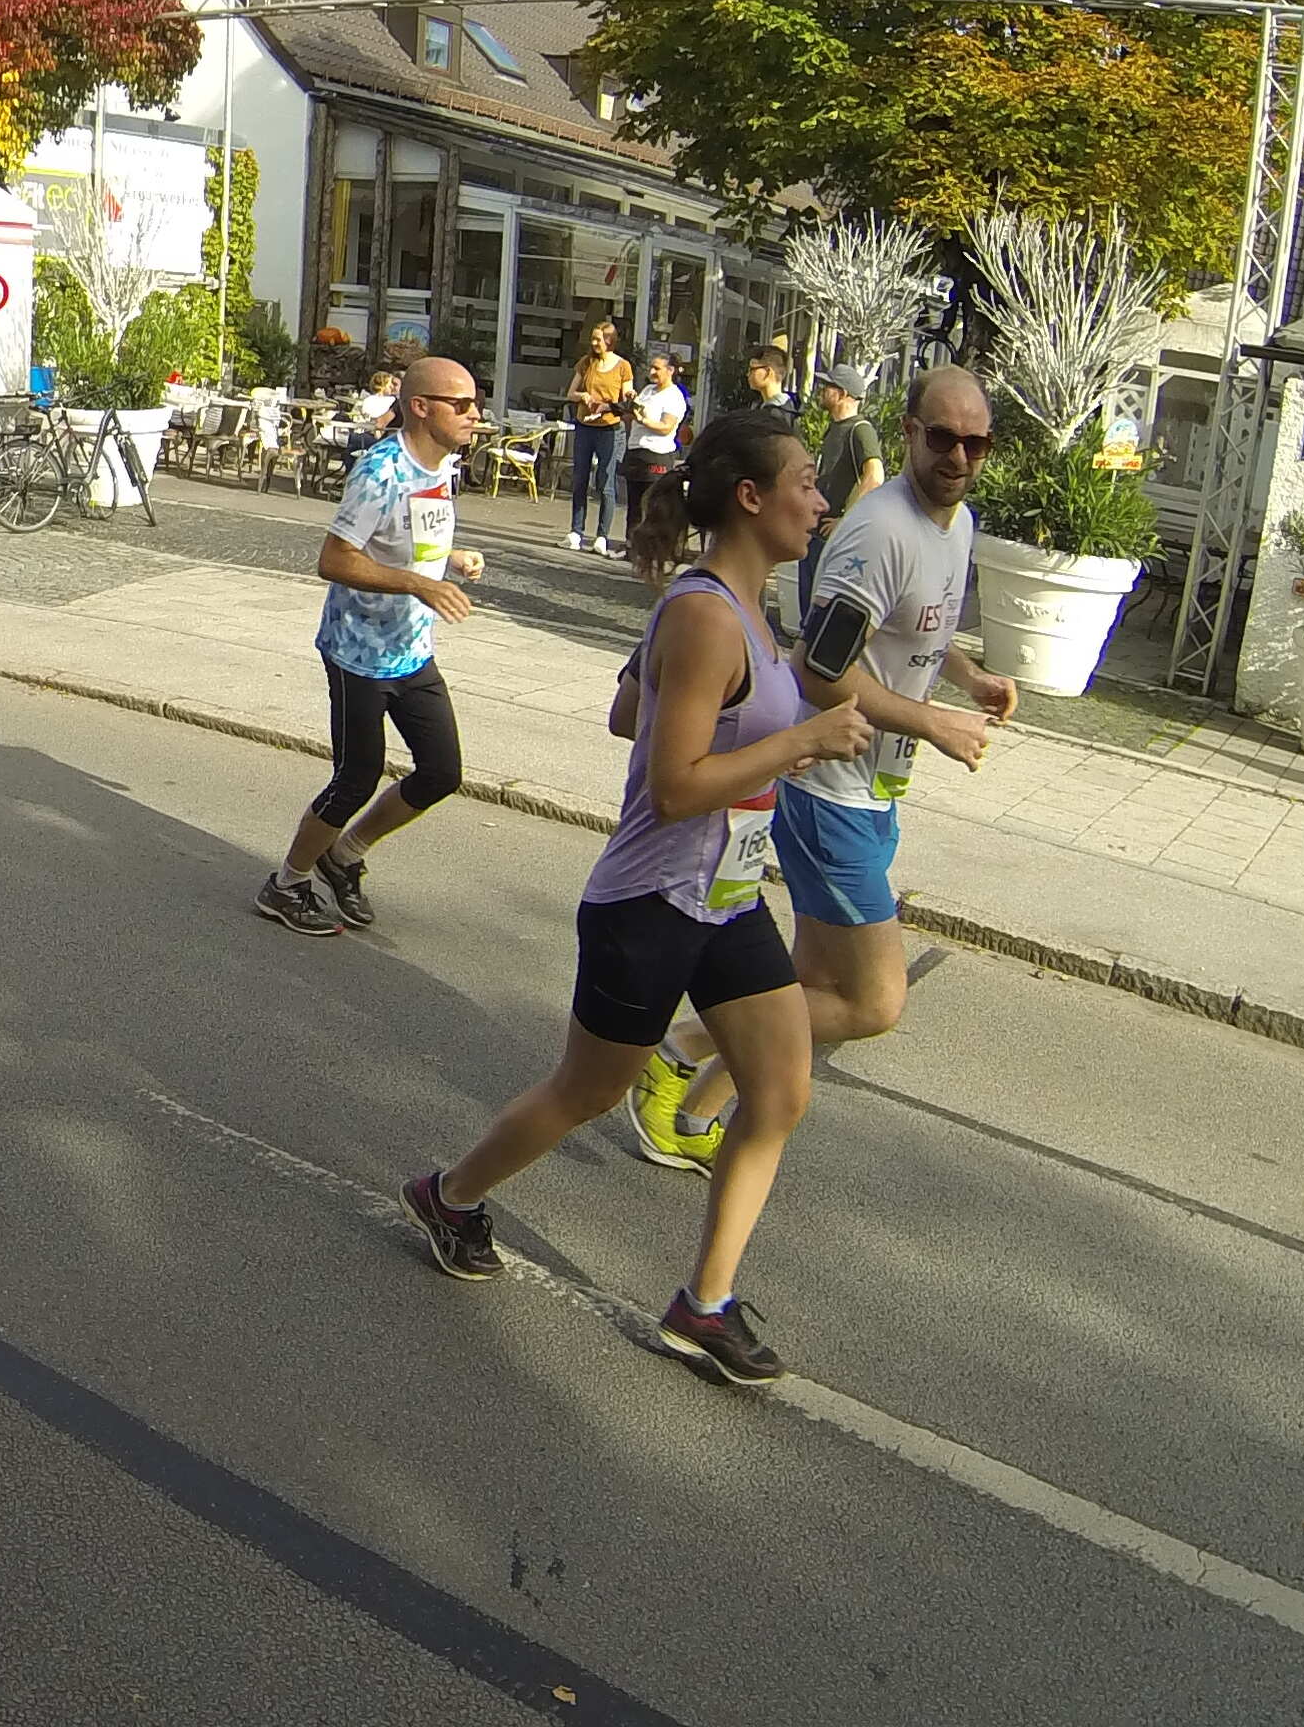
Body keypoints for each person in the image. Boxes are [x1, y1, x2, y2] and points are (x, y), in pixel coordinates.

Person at [403, 405, 871, 1387]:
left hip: (726, 899)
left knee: (780, 1091)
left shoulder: (749, 610)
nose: (821, 502)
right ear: (753, 498)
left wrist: (716, 715)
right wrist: (794, 740)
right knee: (589, 1090)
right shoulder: (706, 614)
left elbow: (632, 712)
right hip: (650, 902)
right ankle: (450, 1195)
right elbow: (673, 786)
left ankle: (705, 1305)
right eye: (806, 485)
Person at [626, 369, 1015, 1173]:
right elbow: (820, 669)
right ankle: (682, 1045)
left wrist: (968, 678)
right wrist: (934, 722)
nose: (958, 457)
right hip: (826, 788)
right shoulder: (879, 535)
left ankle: (689, 1113)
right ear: (908, 433)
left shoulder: (957, 523)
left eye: (975, 443)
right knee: (873, 1002)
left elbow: (916, 630)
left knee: (809, 980)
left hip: (873, 788)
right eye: (943, 438)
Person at [252, 355, 488, 936]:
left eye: (476, 403)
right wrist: (419, 584)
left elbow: (406, 537)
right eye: (462, 404)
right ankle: (286, 884)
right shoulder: (381, 471)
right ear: (421, 407)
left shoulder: (442, 463)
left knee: (441, 772)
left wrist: (450, 559)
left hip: (412, 650)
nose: (475, 415)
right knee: (357, 777)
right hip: (358, 653)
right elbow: (334, 560)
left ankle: (345, 853)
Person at [802, 360, 887, 602]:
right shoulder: (834, 428)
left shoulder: (860, 430)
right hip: (815, 533)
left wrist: (846, 521)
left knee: (822, 608)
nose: (822, 391)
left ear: (842, 394)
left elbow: (875, 476)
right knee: (808, 609)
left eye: (828, 387)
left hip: (834, 538)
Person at [563, 320, 636, 556]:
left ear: (610, 341)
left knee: (606, 482)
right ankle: (576, 532)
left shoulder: (623, 366)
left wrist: (629, 395)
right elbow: (571, 393)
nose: (594, 343)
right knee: (580, 478)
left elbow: (626, 396)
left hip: (609, 428)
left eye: (598, 339)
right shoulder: (586, 363)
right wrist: (582, 396)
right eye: (593, 338)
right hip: (585, 426)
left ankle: (602, 536)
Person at [621, 352, 688, 517]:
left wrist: (643, 420)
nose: (652, 372)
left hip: (656, 455)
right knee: (634, 507)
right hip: (636, 451)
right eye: (651, 367)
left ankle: (650, 535)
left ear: (670, 370)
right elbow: (635, 414)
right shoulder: (648, 390)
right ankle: (632, 534)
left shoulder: (674, 396)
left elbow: (666, 427)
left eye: (657, 368)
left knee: (651, 508)